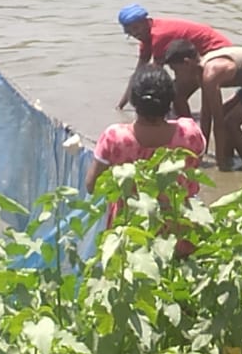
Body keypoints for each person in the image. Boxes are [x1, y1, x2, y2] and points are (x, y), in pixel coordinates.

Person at [85, 65, 206, 231]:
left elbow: (92, 186)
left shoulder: (115, 137)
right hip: (179, 226)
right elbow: (195, 170)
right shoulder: (189, 133)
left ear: (134, 101)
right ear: (170, 99)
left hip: (130, 231)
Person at [162, 40, 242, 171]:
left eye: (176, 70)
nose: (176, 76)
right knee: (225, 114)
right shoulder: (201, 70)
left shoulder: (211, 74)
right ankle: (229, 156)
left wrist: (221, 166)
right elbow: (206, 114)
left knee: (230, 122)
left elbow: (218, 123)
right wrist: (201, 152)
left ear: (187, 63)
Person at [116, 5, 232, 109]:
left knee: (176, 95)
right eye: (129, 32)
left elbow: (157, 73)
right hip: (196, 57)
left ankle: (187, 128)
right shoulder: (146, 38)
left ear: (146, 22)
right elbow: (138, 73)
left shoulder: (159, 35)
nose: (135, 34)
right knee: (175, 94)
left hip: (217, 52)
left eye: (136, 28)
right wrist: (121, 106)